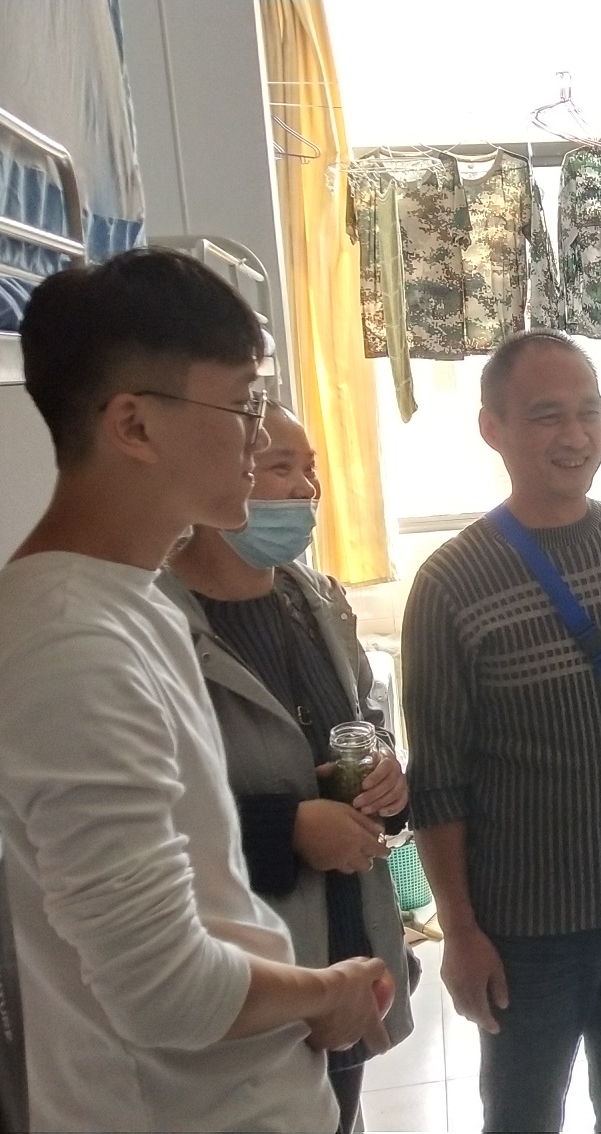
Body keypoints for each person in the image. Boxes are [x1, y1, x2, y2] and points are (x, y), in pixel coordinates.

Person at [0, 249, 393, 1131]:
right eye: (243, 404)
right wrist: (325, 992)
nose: (258, 435)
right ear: (135, 425)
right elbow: (164, 990)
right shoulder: (68, 647)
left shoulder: (134, 602)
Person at [401, 329, 601, 1133]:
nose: (575, 436)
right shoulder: (450, 584)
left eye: (590, 412)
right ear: (493, 428)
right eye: (547, 415)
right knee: (522, 1117)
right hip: (524, 928)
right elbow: (437, 779)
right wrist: (461, 931)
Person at [157, 403, 415, 1134]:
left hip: (344, 949)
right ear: (217, 477)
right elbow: (147, 831)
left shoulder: (316, 603)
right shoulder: (159, 628)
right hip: (247, 977)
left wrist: (388, 776)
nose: (306, 489)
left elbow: (359, 727)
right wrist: (288, 831)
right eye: (280, 468)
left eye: (310, 470)